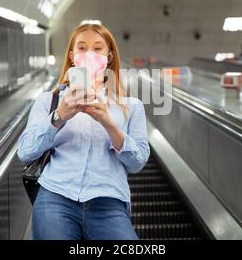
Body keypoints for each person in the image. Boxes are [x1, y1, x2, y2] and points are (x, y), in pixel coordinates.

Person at [17, 23, 150, 240]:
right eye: (82, 47)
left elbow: (138, 162)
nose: (89, 53)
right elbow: (25, 152)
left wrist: (108, 123)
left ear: (109, 56)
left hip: (108, 201)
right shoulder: (48, 101)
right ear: (72, 56)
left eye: (98, 48)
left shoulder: (131, 106)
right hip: (55, 196)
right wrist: (59, 116)